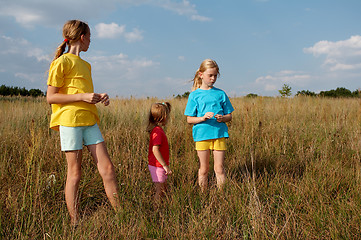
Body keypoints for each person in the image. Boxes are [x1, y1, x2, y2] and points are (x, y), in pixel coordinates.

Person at [46, 20, 120, 225]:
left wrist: (98, 96)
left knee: (108, 169)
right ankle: (75, 222)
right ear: (82, 37)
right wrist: (83, 97)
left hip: (89, 120)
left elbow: (83, 93)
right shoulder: (61, 62)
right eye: (90, 37)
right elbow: (51, 97)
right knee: (75, 173)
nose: (91, 41)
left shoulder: (86, 65)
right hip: (70, 122)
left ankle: (121, 216)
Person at [184, 59, 234, 191]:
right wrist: (202, 118)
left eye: (215, 76)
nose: (213, 78)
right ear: (201, 75)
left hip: (219, 134)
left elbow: (230, 116)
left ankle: (222, 196)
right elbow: (189, 119)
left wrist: (223, 118)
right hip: (201, 135)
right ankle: (202, 195)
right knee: (204, 169)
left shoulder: (221, 93)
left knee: (219, 168)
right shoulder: (194, 95)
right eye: (210, 75)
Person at [146, 102, 172, 205]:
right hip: (157, 166)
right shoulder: (158, 132)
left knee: (163, 189)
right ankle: (156, 210)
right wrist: (165, 165)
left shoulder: (157, 130)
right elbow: (155, 150)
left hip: (158, 165)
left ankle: (160, 207)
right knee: (160, 190)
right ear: (163, 117)